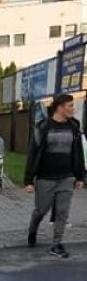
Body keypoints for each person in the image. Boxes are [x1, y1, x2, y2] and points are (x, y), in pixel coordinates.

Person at [25, 93, 85, 258]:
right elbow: (33, 154)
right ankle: (33, 230)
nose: (73, 109)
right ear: (60, 107)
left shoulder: (74, 126)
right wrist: (29, 180)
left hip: (66, 177)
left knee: (62, 212)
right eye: (70, 106)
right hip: (45, 178)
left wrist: (80, 176)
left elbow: (78, 152)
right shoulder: (43, 126)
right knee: (41, 210)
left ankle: (56, 244)